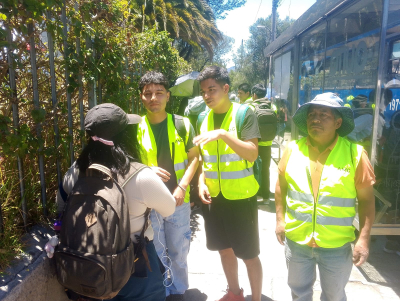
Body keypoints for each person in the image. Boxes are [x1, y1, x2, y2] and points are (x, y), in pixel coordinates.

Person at [56, 103, 176, 301]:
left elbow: (61, 207)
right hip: (135, 267)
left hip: (87, 268)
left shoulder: (75, 171)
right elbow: (169, 208)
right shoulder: (142, 176)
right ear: (126, 136)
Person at [275, 92, 376, 301]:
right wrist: (280, 220)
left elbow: (367, 200)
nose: (316, 119)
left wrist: (363, 239)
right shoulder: (293, 149)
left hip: (336, 247)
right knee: (299, 293)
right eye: (312, 114)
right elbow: (280, 187)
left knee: (334, 296)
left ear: (338, 122)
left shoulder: (355, 154)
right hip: (297, 241)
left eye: (324, 114)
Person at [194, 66, 263, 301]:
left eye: (211, 89)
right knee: (224, 249)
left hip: (241, 198)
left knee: (249, 254)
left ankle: (256, 298)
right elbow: (205, 160)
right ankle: (234, 293)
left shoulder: (244, 114)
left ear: (226, 88)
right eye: (203, 91)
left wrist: (223, 134)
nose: (207, 96)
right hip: (214, 197)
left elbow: (252, 153)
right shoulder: (203, 117)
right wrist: (201, 181)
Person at [136, 71, 200, 301]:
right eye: (148, 93)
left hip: (178, 199)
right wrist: (146, 170)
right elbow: (129, 162)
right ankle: (162, 292)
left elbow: (195, 157)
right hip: (150, 202)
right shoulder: (135, 127)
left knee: (179, 249)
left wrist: (183, 186)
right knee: (157, 250)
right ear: (141, 97)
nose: (154, 97)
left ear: (168, 96)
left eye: (159, 93)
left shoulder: (182, 124)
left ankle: (179, 292)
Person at [250, 84, 277, 203]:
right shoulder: (273, 106)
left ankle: (255, 194)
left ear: (254, 95)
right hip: (268, 143)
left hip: (255, 144)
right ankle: (266, 196)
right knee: (266, 169)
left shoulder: (250, 107)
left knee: (253, 169)